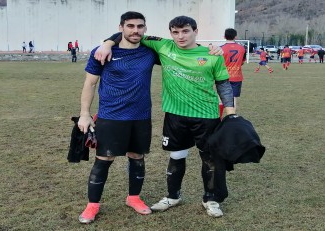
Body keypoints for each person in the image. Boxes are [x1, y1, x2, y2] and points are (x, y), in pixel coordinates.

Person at [97, 15, 235, 218]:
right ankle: (173, 196)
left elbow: (223, 84)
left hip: (207, 115)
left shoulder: (212, 54)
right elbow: (131, 33)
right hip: (175, 115)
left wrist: (231, 113)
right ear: (170, 33)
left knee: (210, 159)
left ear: (195, 31)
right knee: (176, 156)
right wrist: (108, 43)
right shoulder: (163, 46)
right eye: (176, 32)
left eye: (186, 31)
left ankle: (211, 199)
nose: (180, 36)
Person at [77, 11, 159, 224]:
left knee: (137, 157)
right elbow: (90, 84)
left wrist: (212, 49)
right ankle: (92, 205)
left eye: (140, 26)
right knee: (104, 159)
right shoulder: (102, 52)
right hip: (111, 115)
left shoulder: (150, 52)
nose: (135, 30)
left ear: (145, 28)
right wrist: (85, 114)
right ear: (121, 27)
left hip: (140, 116)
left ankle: (133, 198)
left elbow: (178, 47)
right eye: (130, 26)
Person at [220, 28, 246, 111]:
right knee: (233, 99)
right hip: (236, 77)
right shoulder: (242, 48)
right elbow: (242, 62)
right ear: (236, 37)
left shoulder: (220, 49)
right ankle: (232, 119)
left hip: (223, 76)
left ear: (224, 36)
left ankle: (218, 119)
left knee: (220, 98)